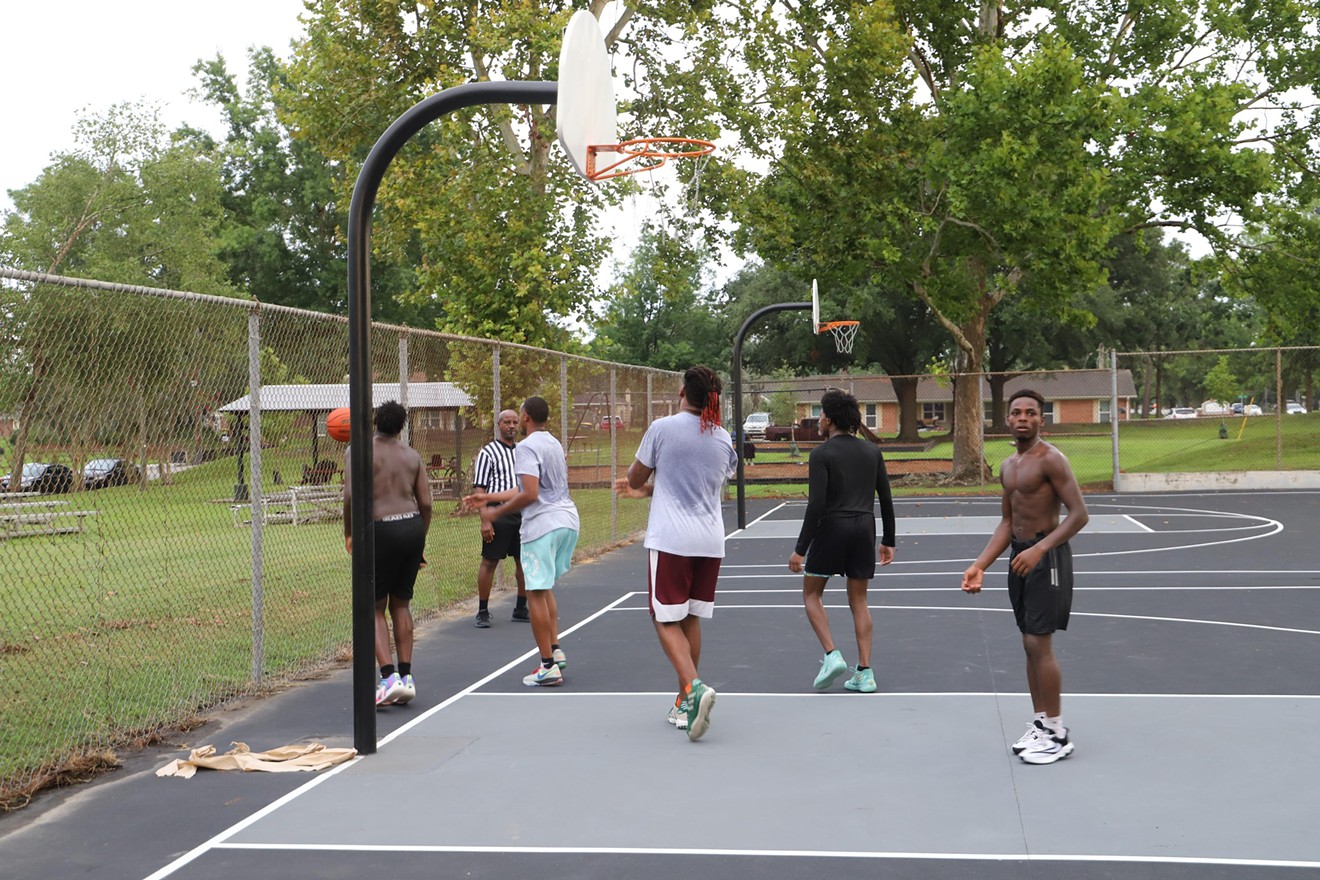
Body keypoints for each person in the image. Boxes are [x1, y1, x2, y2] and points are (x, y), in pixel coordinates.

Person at [961, 389, 1089, 765]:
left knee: (1040, 643)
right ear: (1007, 419)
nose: (1022, 418)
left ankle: (1058, 733)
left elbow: (1079, 514)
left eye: (1030, 413)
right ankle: (1041, 723)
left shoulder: (1052, 460)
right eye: (1016, 412)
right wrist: (980, 564)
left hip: (1045, 558)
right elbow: (1006, 522)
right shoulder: (1007, 466)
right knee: (1028, 644)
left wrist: (1039, 549)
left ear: (1040, 420)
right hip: (1020, 558)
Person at [615, 366, 737, 742]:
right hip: (710, 540)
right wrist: (655, 488)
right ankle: (685, 699)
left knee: (664, 619)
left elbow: (637, 477)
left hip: (672, 540)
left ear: (683, 391)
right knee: (690, 617)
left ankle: (695, 688)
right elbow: (700, 482)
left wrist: (639, 486)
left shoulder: (662, 428)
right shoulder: (722, 439)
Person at [788, 389, 896, 694]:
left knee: (811, 594)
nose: (820, 418)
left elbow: (817, 505)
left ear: (830, 418)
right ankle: (865, 671)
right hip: (864, 527)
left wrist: (800, 549)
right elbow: (885, 498)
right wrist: (889, 539)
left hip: (833, 526)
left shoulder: (821, 454)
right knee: (859, 601)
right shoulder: (872, 452)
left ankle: (831, 655)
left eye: (822, 413)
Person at [472, 397, 578, 687]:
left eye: (519, 416)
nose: (516, 421)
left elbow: (530, 493)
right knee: (543, 588)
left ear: (527, 417)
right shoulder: (553, 443)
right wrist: (489, 497)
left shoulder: (527, 447)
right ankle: (555, 650)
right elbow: (527, 487)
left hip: (542, 525)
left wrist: (496, 510)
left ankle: (547, 666)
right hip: (567, 520)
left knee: (534, 593)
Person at [343, 400, 433, 707]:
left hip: (380, 529)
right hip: (412, 528)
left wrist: (349, 532)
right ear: (401, 426)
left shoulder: (359, 450)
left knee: (373, 606)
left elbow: (351, 496)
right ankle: (407, 678)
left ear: (376, 422)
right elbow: (427, 504)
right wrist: (419, 542)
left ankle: (389, 677)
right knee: (401, 604)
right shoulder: (412, 455)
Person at [467, 409, 528, 627]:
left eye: (514, 422)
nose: (511, 426)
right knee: (490, 561)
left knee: (524, 561)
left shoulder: (524, 450)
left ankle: (521, 607)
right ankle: (483, 610)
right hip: (498, 513)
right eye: (507, 422)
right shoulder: (488, 453)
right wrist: (485, 520)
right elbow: (480, 490)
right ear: (499, 425)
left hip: (523, 513)